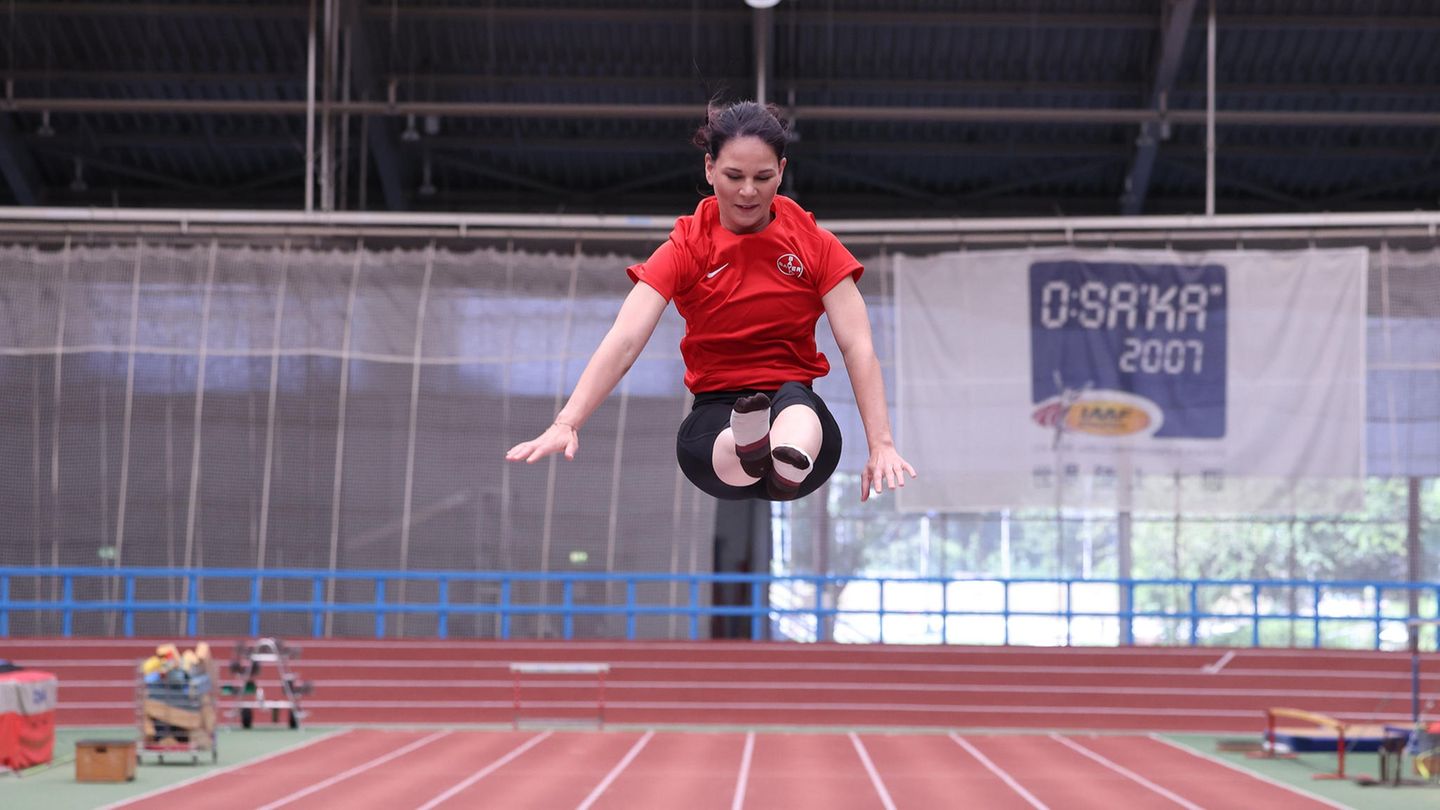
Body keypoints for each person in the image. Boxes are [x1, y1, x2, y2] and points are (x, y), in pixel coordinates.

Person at [506, 100, 915, 502]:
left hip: (799, 413)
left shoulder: (814, 244)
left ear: (782, 172)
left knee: (795, 404)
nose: (748, 191)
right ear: (709, 168)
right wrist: (568, 421)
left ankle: (784, 457)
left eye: (763, 176)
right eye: (734, 175)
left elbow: (857, 346)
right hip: (718, 411)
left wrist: (881, 444)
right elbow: (626, 338)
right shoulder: (688, 246)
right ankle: (749, 448)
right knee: (711, 438)